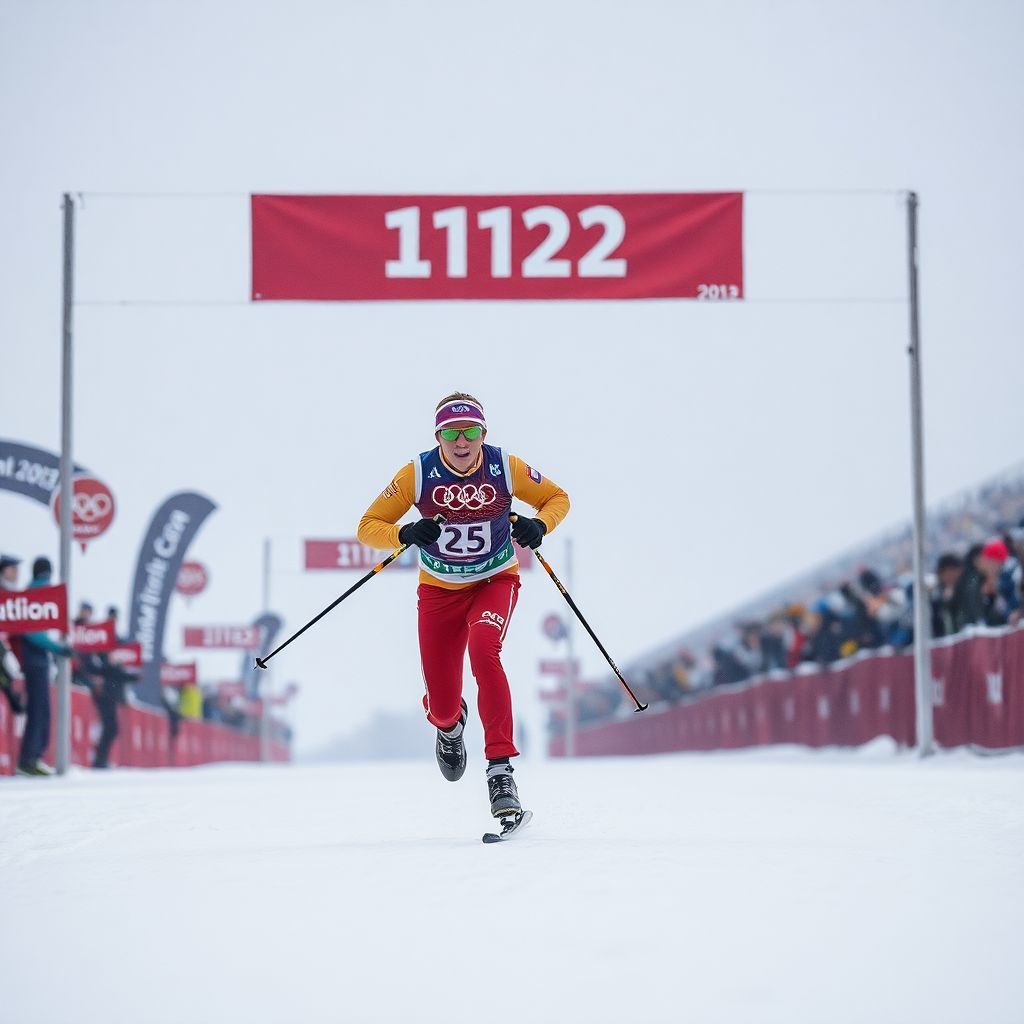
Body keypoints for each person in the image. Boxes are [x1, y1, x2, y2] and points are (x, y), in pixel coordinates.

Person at [357, 392, 569, 820]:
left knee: (484, 649)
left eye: (470, 431)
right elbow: (368, 526)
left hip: (494, 579)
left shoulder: (505, 467)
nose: (461, 441)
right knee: (442, 704)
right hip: (438, 590)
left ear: (483, 434)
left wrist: (538, 525)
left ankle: (500, 771)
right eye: (451, 432)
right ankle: (450, 726)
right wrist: (404, 534)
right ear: (438, 436)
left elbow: (558, 498)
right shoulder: (417, 473)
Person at [12, 557, 72, 776]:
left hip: (34, 660)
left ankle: (32, 758)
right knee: (40, 711)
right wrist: (58, 649)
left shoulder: (29, 592)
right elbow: (33, 633)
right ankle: (29, 759)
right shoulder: (40, 594)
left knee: (40, 710)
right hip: (35, 660)